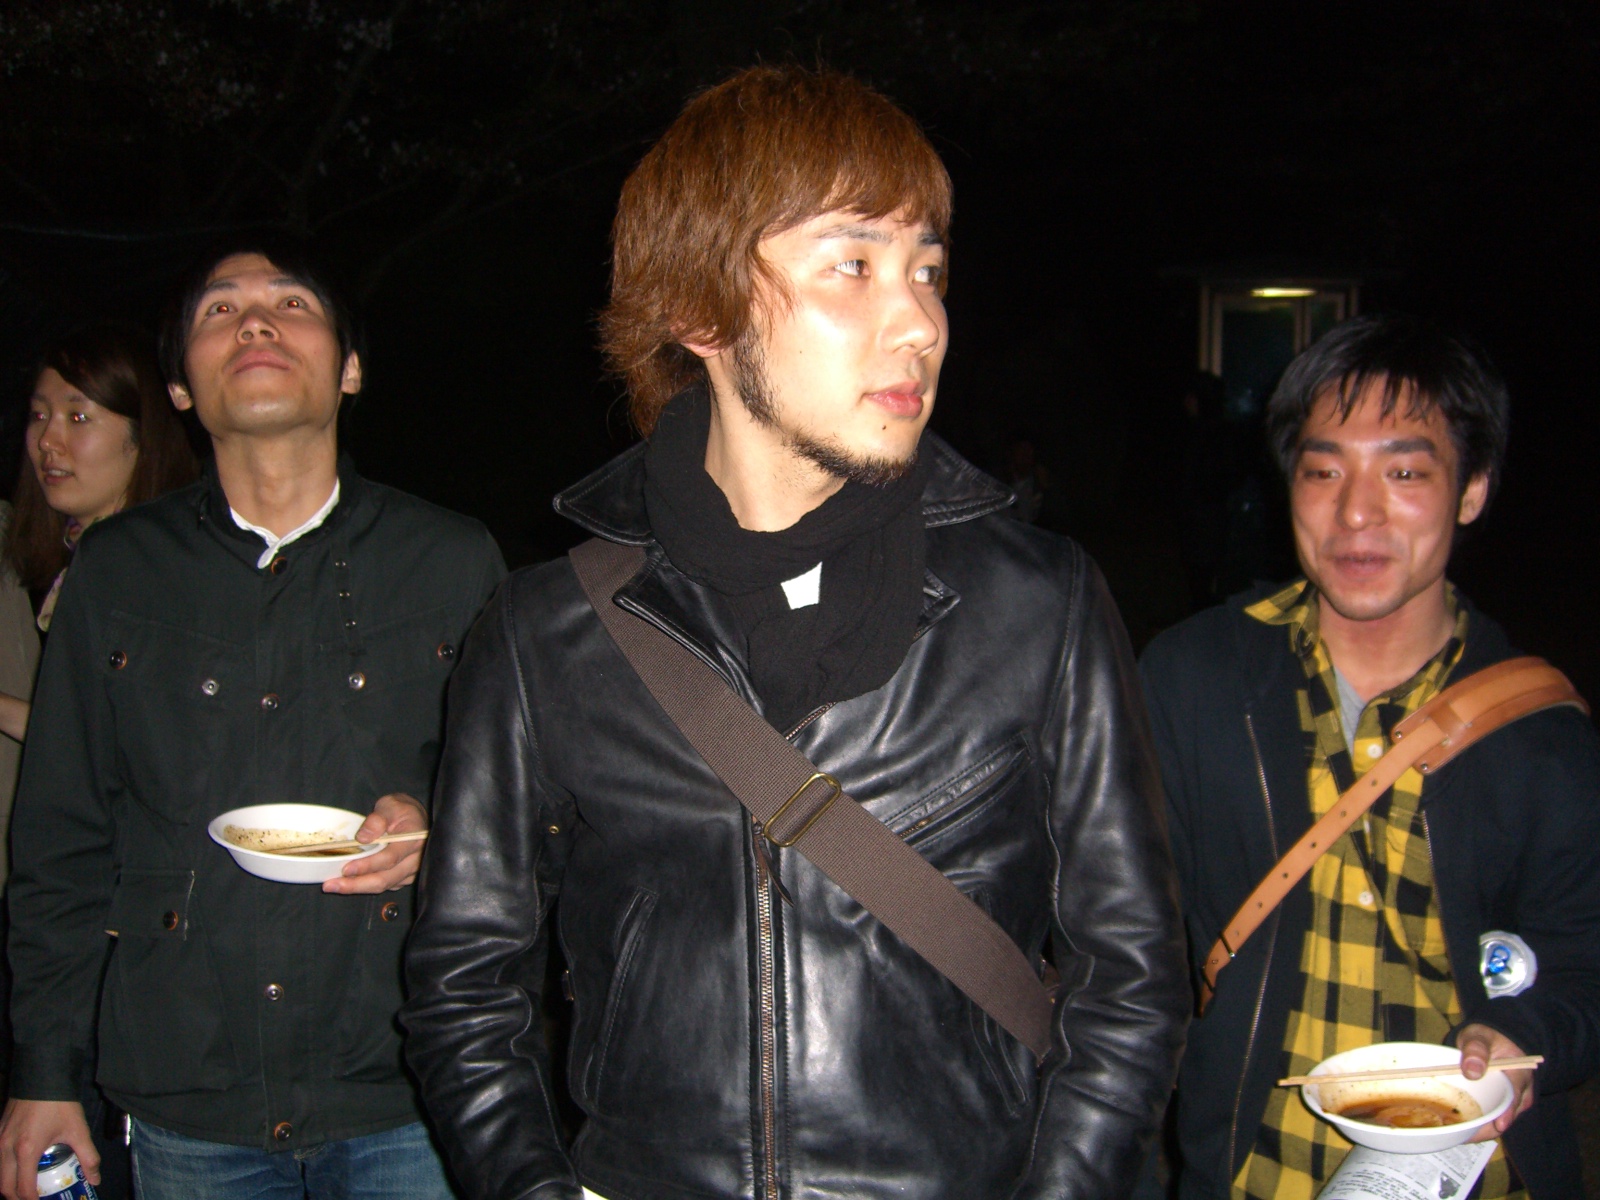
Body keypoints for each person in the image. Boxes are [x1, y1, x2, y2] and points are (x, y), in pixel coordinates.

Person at [402, 65, 1188, 1200]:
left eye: (927, 270)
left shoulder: (1036, 605)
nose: (919, 322)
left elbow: (1132, 978)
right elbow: (465, 986)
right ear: (702, 311)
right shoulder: (547, 633)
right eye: (852, 265)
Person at [0, 245, 506, 1200]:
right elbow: (61, 839)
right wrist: (43, 1075)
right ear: (180, 390)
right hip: (189, 1090)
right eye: (220, 310)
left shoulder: (451, 558)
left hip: (408, 1080)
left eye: (291, 303)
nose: (257, 322)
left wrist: (438, 825)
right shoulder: (117, 570)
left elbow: (525, 800)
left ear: (350, 368)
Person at [1140, 315, 1600, 1198]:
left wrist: (1530, 1031)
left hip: (1474, 1174)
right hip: (1251, 1171)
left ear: (1472, 491)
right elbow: (1129, 946)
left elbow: (1583, 962)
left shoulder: (1539, 731)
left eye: (1404, 472)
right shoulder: (1192, 680)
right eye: (1323, 471)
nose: (1356, 512)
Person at [0, 324, 200, 1200]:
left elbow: (128, 748)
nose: (51, 440)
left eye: (80, 416)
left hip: (137, 929)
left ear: (142, 436)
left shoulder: (156, 568)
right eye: (39, 414)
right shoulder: (71, 562)